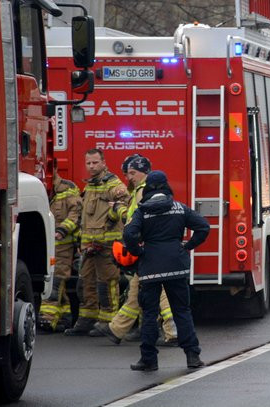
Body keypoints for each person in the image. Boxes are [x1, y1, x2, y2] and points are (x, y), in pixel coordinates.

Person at [123, 170, 209, 371]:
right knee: (182, 311)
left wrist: (139, 252)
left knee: (150, 314)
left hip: (151, 268)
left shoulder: (142, 211)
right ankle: (192, 356)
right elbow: (203, 227)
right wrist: (187, 246)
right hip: (176, 267)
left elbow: (129, 233)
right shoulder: (179, 208)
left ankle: (149, 360)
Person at [92, 155, 178, 346]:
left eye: (133, 173)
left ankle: (173, 332)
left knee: (160, 291)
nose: (129, 177)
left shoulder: (142, 192)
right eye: (127, 173)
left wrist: (119, 211)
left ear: (144, 172)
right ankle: (116, 329)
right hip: (149, 249)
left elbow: (136, 221)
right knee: (134, 291)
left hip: (147, 250)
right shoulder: (146, 191)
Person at [65, 149, 130, 336]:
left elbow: (124, 205)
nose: (91, 166)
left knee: (107, 283)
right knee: (86, 282)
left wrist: (112, 217)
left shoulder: (113, 184)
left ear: (103, 163)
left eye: (95, 162)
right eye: (88, 163)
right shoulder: (90, 186)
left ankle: (108, 321)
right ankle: (87, 319)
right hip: (89, 245)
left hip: (107, 244)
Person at [38, 169, 82, 333]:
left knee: (55, 281)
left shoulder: (67, 189)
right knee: (55, 281)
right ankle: (64, 318)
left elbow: (75, 213)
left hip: (63, 244)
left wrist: (62, 230)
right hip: (46, 245)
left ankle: (48, 318)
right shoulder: (42, 189)